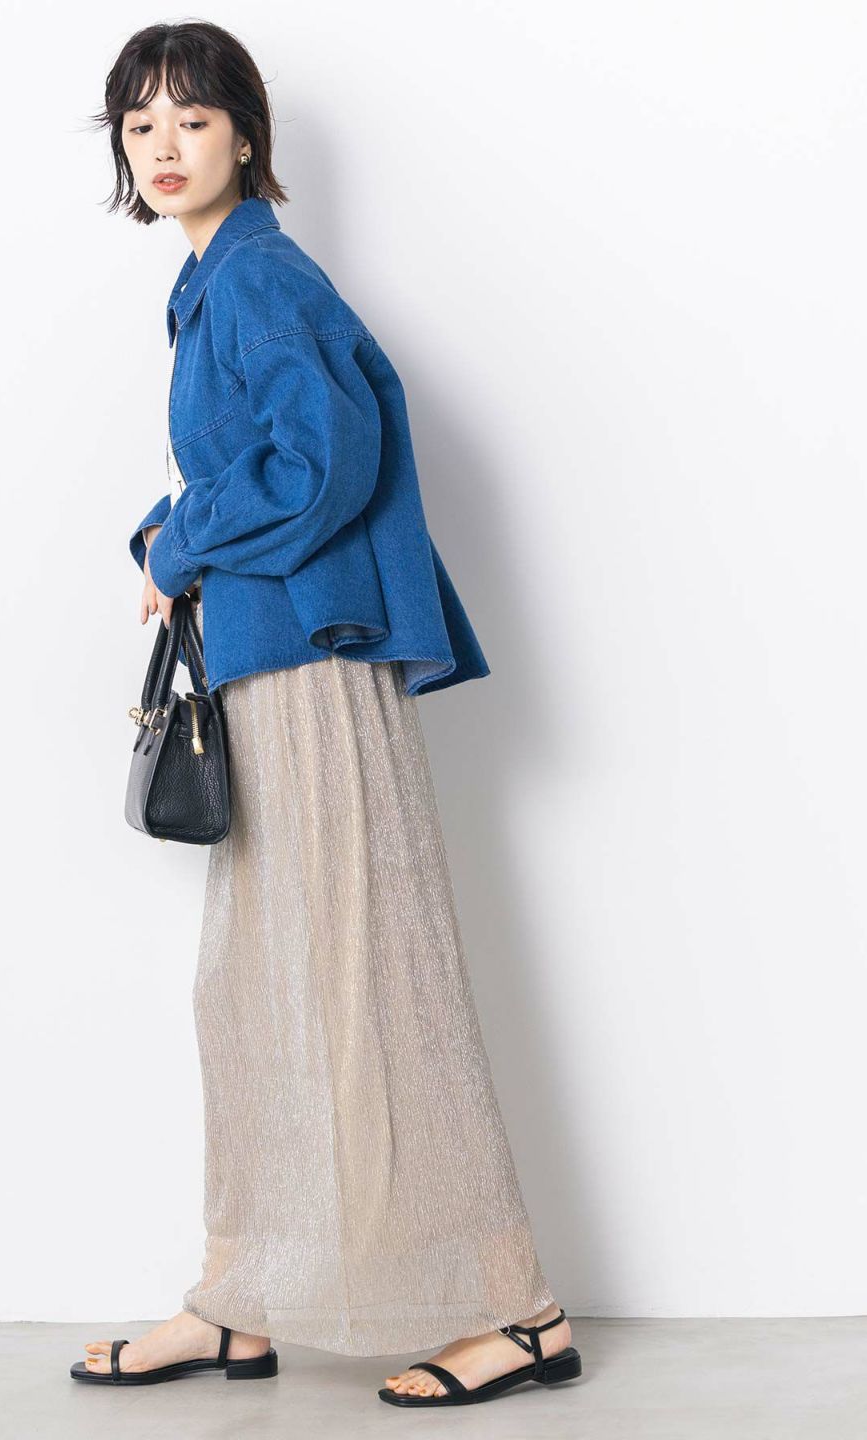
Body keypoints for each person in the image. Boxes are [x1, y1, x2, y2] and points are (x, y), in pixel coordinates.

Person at [70, 20, 582, 1410]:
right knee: (257, 994)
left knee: (370, 983)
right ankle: (241, 1301)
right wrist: (172, 532)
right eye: (138, 125)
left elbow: (325, 458)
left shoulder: (256, 276)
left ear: (246, 133)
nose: (164, 146)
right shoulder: (214, 283)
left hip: (309, 670)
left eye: (191, 118)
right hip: (269, 663)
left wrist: (184, 541)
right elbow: (272, 459)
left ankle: (518, 1308)